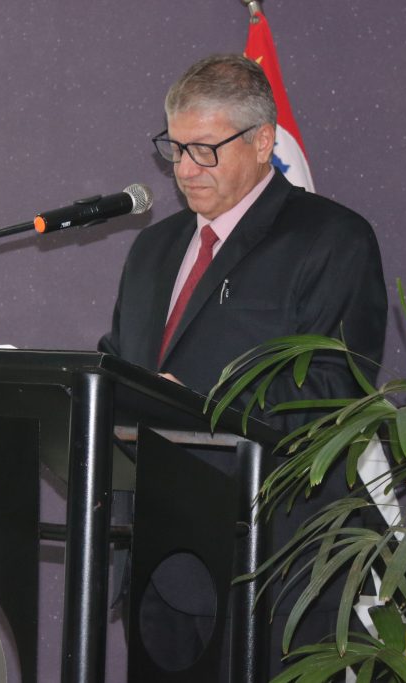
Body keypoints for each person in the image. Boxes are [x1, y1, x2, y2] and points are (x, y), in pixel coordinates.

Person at [99, 53, 388, 676]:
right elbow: (120, 362)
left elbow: (335, 392)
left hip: (276, 564)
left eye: (205, 150)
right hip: (159, 561)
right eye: (174, 149)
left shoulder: (331, 238)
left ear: (262, 142)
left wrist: (193, 402)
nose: (184, 169)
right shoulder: (153, 248)